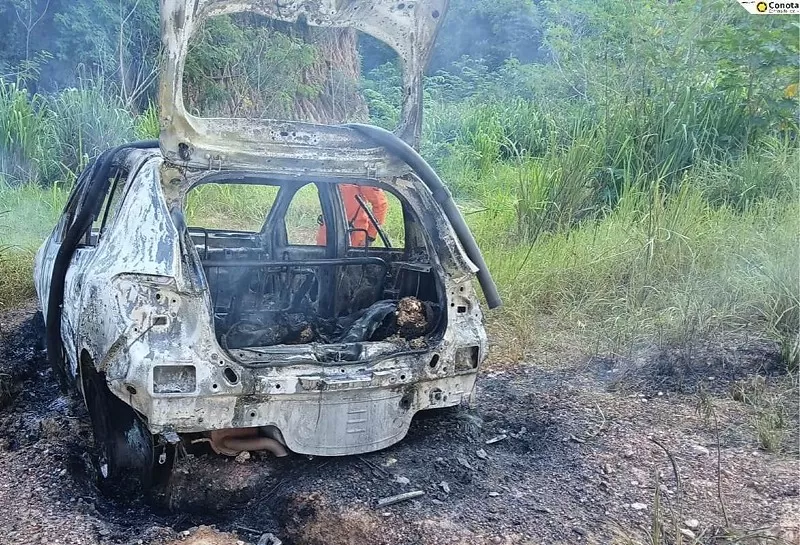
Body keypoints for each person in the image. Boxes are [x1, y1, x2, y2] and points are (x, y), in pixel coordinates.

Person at [317, 184, 388, 247]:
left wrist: (370, 236)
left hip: (353, 237)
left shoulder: (359, 175)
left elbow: (380, 204)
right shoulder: (328, 174)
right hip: (327, 233)